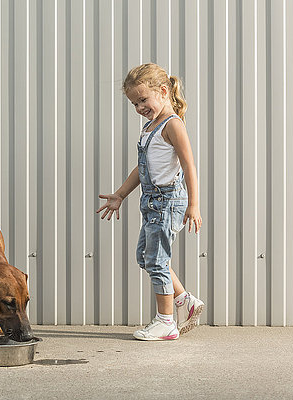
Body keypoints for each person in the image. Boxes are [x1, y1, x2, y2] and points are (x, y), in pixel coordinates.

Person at [97, 63, 204, 341]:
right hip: (152, 202)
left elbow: (189, 166)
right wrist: (120, 194)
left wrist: (194, 204)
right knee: (146, 256)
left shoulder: (173, 125)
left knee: (156, 261)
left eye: (143, 100)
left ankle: (166, 322)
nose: (139, 107)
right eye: (134, 103)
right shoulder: (150, 127)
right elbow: (141, 166)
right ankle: (183, 300)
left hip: (168, 201)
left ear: (163, 91)